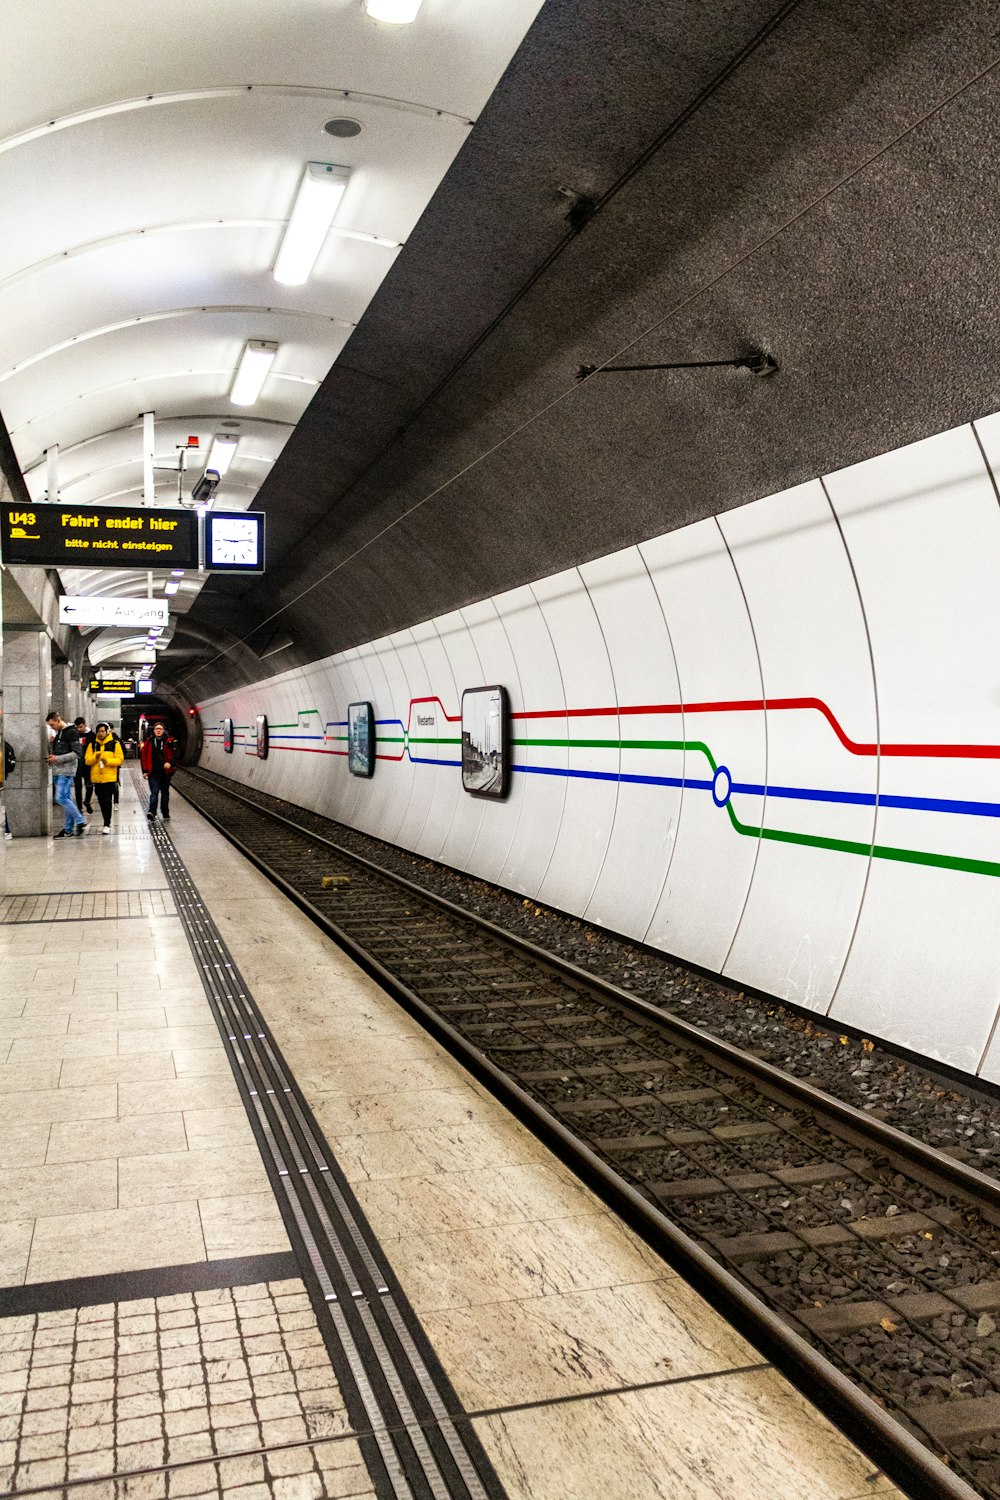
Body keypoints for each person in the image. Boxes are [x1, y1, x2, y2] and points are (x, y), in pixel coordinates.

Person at [45, 711, 86, 838]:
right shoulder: (60, 733)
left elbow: (77, 753)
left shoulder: (71, 732)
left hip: (66, 771)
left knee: (60, 798)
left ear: (58, 720)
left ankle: (80, 820)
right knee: (66, 798)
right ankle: (68, 829)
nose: (52, 727)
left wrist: (57, 758)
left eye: (52, 725)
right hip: (59, 770)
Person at [85, 722, 124, 834]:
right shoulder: (92, 745)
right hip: (97, 779)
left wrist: (108, 761)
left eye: (103, 731)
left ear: (107, 732)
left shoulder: (114, 744)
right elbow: (87, 760)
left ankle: (107, 823)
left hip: (109, 778)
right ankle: (106, 821)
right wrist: (95, 757)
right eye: (99, 731)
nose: (101, 733)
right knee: (101, 801)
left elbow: (120, 759)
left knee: (107, 801)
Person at [141, 722, 177, 821]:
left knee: (165, 794)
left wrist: (170, 762)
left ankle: (165, 812)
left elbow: (175, 754)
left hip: (165, 773)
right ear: (154, 730)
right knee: (154, 792)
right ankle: (152, 812)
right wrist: (145, 771)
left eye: (160, 729)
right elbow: (144, 756)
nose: (158, 730)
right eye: (156, 729)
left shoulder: (169, 741)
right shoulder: (149, 742)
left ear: (163, 730)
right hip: (153, 772)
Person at [73, 716, 93, 814]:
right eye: (77, 727)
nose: (79, 729)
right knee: (78, 787)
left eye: (81, 727)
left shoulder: (91, 735)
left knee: (89, 785)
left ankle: (87, 801)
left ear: (85, 725)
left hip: (88, 765)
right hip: (76, 765)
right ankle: (79, 807)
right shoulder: (74, 734)